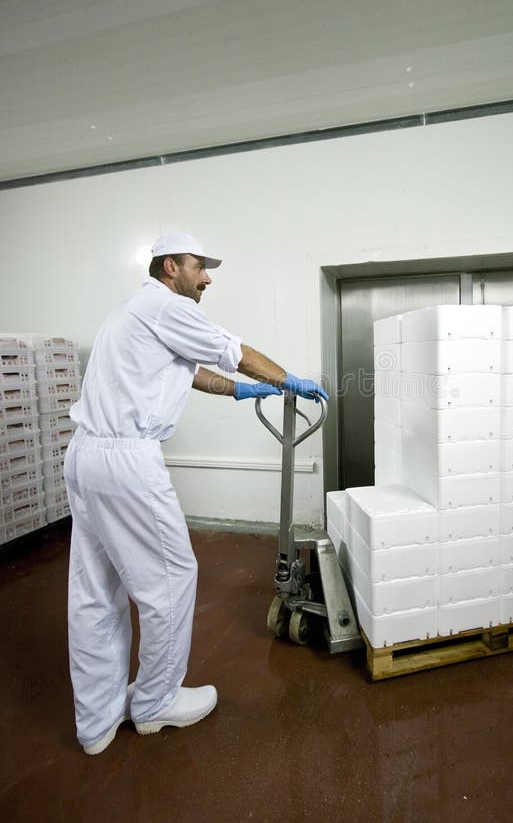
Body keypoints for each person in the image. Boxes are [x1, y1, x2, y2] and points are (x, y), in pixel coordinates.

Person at [64, 231, 328, 755]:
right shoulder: (166, 307)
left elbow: (190, 373)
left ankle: (96, 721)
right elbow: (237, 352)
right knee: (170, 578)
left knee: (96, 589)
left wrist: (241, 391)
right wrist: (285, 379)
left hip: (86, 454)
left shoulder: (132, 311)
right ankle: (156, 702)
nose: (206, 277)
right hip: (126, 461)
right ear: (169, 267)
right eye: (198, 267)